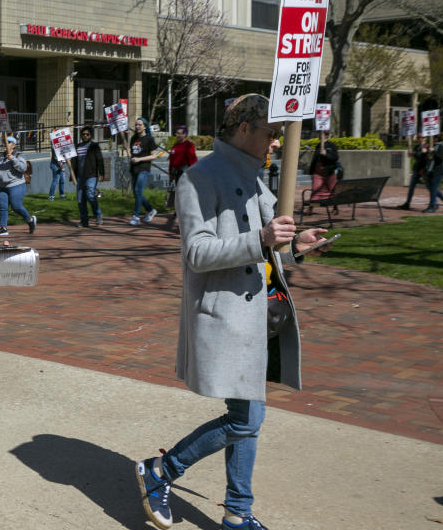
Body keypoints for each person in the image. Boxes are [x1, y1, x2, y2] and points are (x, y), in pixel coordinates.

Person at [135, 94, 329, 530]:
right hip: (226, 316)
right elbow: (198, 253)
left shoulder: (254, 177)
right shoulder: (199, 179)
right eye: (270, 133)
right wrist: (262, 237)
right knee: (247, 418)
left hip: (258, 316)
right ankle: (162, 470)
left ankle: (238, 512)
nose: (276, 142)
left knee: (249, 417)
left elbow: (263, 251)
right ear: (244, 128)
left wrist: (295, 249)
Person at [0, 136, 36, 237]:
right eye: (5, 142)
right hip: (2, 187)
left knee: (16, 207)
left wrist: (13, 159)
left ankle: (30, 219)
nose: (6, 144)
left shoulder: (19, 155)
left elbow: (23, 168)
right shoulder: (0, 157)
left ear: (14, 145)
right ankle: (3, 228)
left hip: (16, 185)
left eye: (9, 142)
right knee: (2, 208)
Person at [128, 117, 159, 226]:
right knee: (137, 193)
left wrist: (139, 159)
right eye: (136, 125)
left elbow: (154, 156)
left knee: (137, 190)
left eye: (140, 125)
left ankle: (136, 216)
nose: (137, 127)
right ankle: (150, 210)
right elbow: (133, 153)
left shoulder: (149, 139)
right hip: (134, 169)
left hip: (144, 169)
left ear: (145, 126)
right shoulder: (133, 138)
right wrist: (131, 157)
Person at [73, 126, 104, 227]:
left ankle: (98, 215)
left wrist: (101, 173)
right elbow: (74, 161)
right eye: (83, 134)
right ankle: (84, 221)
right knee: (80, 199)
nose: (85, 136)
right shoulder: (77, 146)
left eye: (87, 134)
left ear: (91, 135)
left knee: (90, 194)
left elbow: (100, 160)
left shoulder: (94, 146)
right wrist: (72, 175)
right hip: (80, 176)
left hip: (91, 175)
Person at [166, 125, 197, 210]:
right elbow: (171, 161)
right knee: (178, 192)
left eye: (180, 133)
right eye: (177, 133)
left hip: (185, 172)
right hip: (175, 172)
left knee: (183, 192)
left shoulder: (189, 145)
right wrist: (170, 174)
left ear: (185, 135)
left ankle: (185, 210)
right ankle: (179, 210)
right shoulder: (175, 145)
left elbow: (192, 160)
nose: (178, 135)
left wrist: (194, 174)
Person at [307, 130, 340, 207]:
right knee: (315, 191)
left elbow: (335, 157)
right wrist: (312, 171)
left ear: (326, 136)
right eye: (319, 134)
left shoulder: (332, 145)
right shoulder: (318, 145)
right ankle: (312, 207)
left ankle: (334, 207)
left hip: (329, 172)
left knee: (331, 191)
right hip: (318, 173)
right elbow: (315, 159)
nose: (319, 136)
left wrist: (326, 154)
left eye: (321, 135)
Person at [397, 133, 429, 210]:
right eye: (418, 138)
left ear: (425, 138)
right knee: (411, 187)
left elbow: (428, 159)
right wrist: (410, 151)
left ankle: (442, 202)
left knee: (431, 188)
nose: (419, 139)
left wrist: (423, 169)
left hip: (423, 170)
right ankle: (407, 204)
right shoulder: (417, 147)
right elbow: (411, 156)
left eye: (421, 137)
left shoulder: (427, 147)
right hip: (416, 169)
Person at [423, 131, 443, 213]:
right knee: (433, 189)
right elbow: (429, 158)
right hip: (431, 171)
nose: (431, 140)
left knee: (433, 189)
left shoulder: (441, 146)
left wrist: (433, 151)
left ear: (436, 139)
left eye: (432, 138)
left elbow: (441, 158)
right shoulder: (432, 146)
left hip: (439, 171)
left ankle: (432, 206)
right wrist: (426, 152)